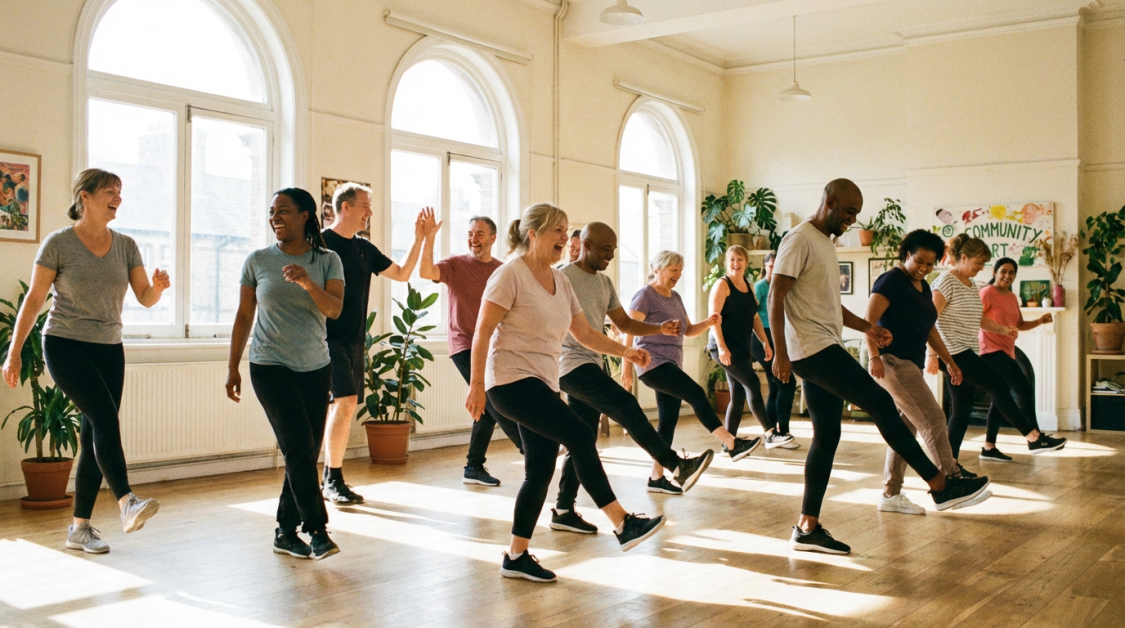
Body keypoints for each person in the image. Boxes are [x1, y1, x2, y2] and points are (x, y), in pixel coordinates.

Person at [769, 179, 989, 555]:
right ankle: (940, 484)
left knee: (827, 436)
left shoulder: (824, 243)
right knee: (882, 404)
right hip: (811, 348)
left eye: (856, 214)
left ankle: (807, 527)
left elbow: (827, 306)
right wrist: (779, 352)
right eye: (849, 212)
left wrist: (867, 327)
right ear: (830, 201)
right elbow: (777, 293)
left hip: (824, 343)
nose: (852, 220)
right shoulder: (800, 238)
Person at [467, 203, 666, 583]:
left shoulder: (562, 283)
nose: (565, 237)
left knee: (539, 469)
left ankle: (516, 555)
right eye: (557, 230)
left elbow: (587, 334)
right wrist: (477, 384)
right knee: (579, 434)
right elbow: (482, 332)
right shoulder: (510, 275)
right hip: (509, 380)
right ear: (534, 234)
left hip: (542, 381)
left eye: (567, 230)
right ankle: (622, 523)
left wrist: (627, 350)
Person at [2, 169, 168, 554]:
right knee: (105, 418)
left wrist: (156, 289)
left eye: (121, 193)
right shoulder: (59, 243)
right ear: (85, 197)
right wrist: (13, 355)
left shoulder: (125, 245)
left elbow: (143, 296)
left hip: (109, 347)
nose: (118, 199)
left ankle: (80, 528)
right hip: (64, 345)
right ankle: (127, 501)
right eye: (111, 192)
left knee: (94, 431)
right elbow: (34, 300)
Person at [549, 222, 713, 533]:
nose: (611, 254)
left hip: (590, 363)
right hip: (568, 365)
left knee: (582, 439)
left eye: (613, 249)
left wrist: (657, 328)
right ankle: (677, 465)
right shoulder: (563, 277)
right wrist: (627, 355)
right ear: (585, 244)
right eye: (605, 248)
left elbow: (623, 322)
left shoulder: (605, 283)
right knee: (625, 405)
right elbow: (582, 335)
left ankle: (563, 509)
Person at [226, 187, 345, 560]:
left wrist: (308, 283)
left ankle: (284, 530)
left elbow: (335, 310)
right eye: (272, 211)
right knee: (296, 445)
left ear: (305, 216)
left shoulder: (328, 260)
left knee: (304, 452)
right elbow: (245, 316)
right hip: (269, 365)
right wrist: (232, 366)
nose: (275, 217)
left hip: (315, 366)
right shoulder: (258, 260)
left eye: (283, 211)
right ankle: (318, 530)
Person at [319, 183, 434, 505]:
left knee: (343, 404)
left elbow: (401, 274)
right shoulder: (320, 244)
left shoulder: (364, 249)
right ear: (345, 208)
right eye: (365, 206)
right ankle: (331, 478)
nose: (370, 212)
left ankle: (330, 477)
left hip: (354, 339)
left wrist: (420, 238)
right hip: (323, 337)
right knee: (343, 401)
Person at [865, 230, 990, 516]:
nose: (923, 268)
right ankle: (950, 482)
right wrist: (874, 356)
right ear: (907, 253)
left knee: (905, 428)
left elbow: (929, 328)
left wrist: (950, 361)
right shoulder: (892, 280)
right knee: (933, 418)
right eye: (919, 261)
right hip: (892, 361)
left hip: (911, 363)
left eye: (930, 264)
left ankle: (890, 493)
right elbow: (867, 322)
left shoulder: (921, 287)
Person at [622, 250, 763, 488]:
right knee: (696, 393)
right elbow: (629, 331)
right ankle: (731, 443)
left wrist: (708, 323)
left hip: (671, 362)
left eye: (680, 270)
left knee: (667, 422)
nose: (677, 274)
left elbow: (688, 331)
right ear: (657, 269)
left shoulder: (675, 297)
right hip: (652, 363)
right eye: (673, 269)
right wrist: (627, 368)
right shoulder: (645, 295)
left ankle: (656, 477)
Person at [930, 244, 1065, 459]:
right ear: (964, 257)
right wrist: (931, 356)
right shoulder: (946, 281)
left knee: (962, 410)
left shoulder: (971, 284)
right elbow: (929, 319)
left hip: (967, 350)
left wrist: (1004, 329)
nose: (981, 268)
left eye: (984, 264)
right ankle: (1033, 437)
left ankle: (949, 465)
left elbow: (980, 319)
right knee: (999, 386)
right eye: (978, 263)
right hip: (953, 352)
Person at [419, 215, 523, 487]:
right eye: (470, 233)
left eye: (479, 234)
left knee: (485, 408)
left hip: (492, 346)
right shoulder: (456, 264)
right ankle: (528, 446)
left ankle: (473, 466)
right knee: (490, 398)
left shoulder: (502, 270)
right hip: (463, 343)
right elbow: (426, 272)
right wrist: (429, 237)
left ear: (492, 238)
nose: (473, 239)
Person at [707, 245, 792, 449]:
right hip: (723, 346)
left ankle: (729, 444)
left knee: (737, 395)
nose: (736, 264)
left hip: (742, 346)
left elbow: (754, 316)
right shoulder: (722, 284)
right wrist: (721, 347)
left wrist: (765, 341)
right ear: (727, 263)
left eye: (740, 260)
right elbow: (714, 319)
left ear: (746, 262)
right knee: (752, 382)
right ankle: (770, 433)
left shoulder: (747, 285)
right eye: (732, 260)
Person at [977, 258, 1055, 461]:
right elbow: (977, 319)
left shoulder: (1012, 297)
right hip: (989, 350)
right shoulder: (986, 293)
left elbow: (1019, 323)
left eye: (1011, 273)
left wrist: (1040, 321)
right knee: (1024, 388)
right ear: (994, 272)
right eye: (1003, 271)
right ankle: (1035, 438)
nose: (1007, 276)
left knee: (999, 398)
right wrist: (999, 331)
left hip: (1006, 350)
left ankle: (988, 447)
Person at [753, 253, 799, 449]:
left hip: (777, 336)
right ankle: (782, 433)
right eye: (770, 266)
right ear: (765, 267)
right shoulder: (760, 286)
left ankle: (773, 435)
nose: (773, 269)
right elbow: (751, 313)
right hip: (762, 338)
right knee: (787, 383)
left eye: (776, 265)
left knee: (776, 386)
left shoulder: (783, 286)